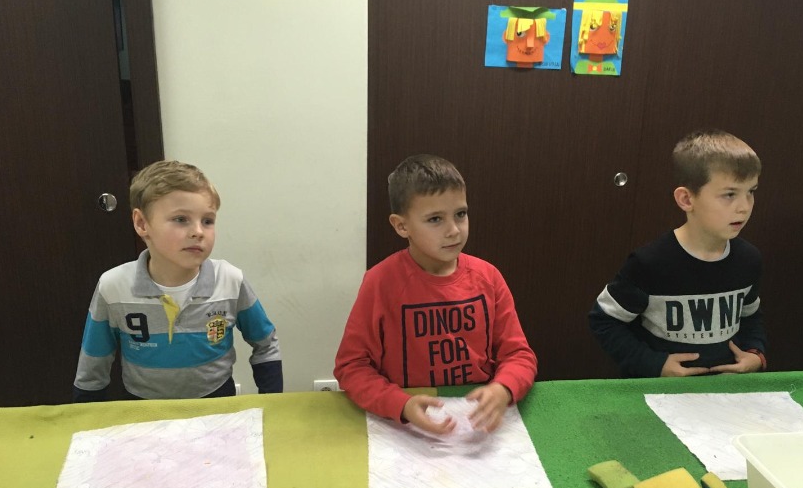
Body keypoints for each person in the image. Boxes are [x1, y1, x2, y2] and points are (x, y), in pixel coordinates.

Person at [334, 154, 537, 434]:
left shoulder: (489, 277)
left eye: (461, 214)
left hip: (476, 425)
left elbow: (519, 355)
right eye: (435, 219)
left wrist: (503, 388)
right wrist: (401, 404)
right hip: (404, 429)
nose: (454, 230)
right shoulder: (379, 282)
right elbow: (351, 367)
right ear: (401, 225)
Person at [73, 160, 283, 401]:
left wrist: (270, 403)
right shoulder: (113, 286)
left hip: (217, 404)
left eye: (208, 220)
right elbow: (94, 362)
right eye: (181, 219)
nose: (198, 232)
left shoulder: (230, 280)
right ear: (142, 223)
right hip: (143, 407)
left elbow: (266, 344)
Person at [589, 129, 767, 378]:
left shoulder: (749, 260)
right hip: (661, 392)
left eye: (751, 191)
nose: (744, 207)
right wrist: (654, 364)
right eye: (730, 194)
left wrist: (755, 353)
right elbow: (604, 320)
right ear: (686, 199)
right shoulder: (650, 263)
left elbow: (750, 316)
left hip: (725, 392)